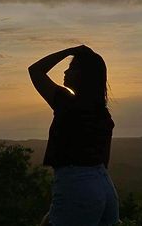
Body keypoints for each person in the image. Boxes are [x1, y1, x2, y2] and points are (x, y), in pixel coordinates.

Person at [28, 45, 120, 226]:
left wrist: (70, 50)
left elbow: (36, 70)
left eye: (72, 67)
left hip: (77, 184)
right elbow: (104, 161)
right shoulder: (102, 113)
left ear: (83, 75)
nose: (65, 70)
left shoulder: (67, 102)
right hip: (104, 186)